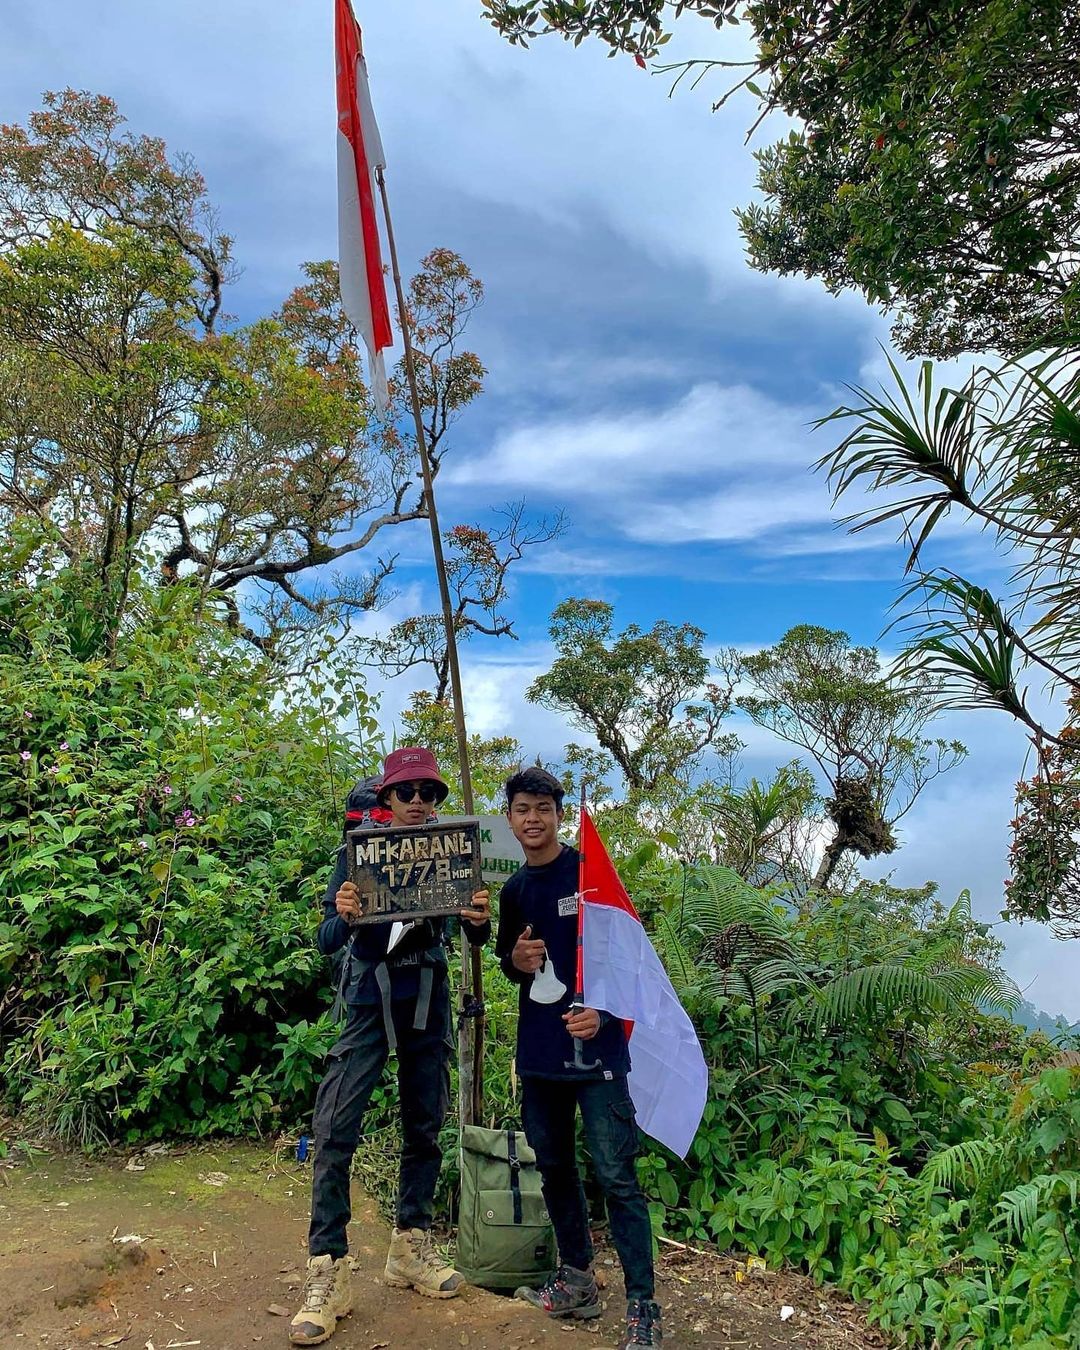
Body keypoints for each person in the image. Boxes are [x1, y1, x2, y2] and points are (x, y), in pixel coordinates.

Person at [290, 747, 491, 1347]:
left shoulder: (453, 852)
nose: (419, 804)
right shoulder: (357, 855)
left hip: (426, 994)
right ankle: (327, 1269)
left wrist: (477, 916)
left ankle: (410, 1245)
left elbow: (474, 930)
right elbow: (327, 937)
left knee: (425, 1122)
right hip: (366, 1000)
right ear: (385, 799)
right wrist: (347, 913)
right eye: (407, 794)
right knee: (334, 1126)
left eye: (428, 793)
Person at [495, 767, 662, 1349]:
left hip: (599, 1055)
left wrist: (606, 1019)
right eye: (522, 809)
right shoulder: (515, 890)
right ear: (510, 818)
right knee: (556, 1168)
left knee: (617, 1177)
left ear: (559, 814)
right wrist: (517, 957)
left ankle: (642, 1306)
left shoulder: (589, 875)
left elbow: (631, 965)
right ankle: (576, 1278)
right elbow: (507, 963)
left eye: (543, 807)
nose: (533, 818)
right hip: (541, 1053)